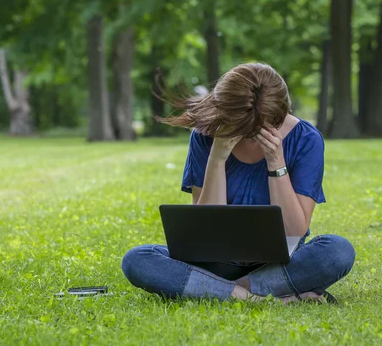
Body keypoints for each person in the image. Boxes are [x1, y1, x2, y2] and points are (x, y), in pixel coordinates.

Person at [122, 62, 355, 303]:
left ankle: (219, 291)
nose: (251, 136)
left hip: (278, 264)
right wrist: (217, 157)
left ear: (281, 113)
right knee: (137, 259)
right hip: (214, 262)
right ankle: (259, 297)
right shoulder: (204, 135)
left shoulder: (306, 138)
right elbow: (205, 229)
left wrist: (276, 163)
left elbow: (294, 231)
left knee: (337, 251)